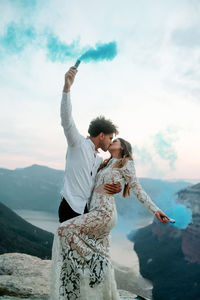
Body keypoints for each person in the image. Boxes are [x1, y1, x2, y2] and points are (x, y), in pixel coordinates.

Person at [58, 66, 122, 224]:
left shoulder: (98, 160)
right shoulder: (77, 143)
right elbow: (67, 120)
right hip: (69, 207)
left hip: (85, 210)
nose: (110, 141)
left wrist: (116, 188)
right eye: (110, 137)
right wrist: (67, 88)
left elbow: (100, 184)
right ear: (101, 135)